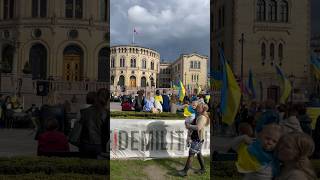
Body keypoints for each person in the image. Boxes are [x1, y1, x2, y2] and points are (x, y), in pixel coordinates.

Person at [178, 102, 210, 176]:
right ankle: (203, 169)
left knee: (191, 154)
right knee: (198, 154)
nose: (196, 108)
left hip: (198, 139)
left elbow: (198, 127)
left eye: (198, 107)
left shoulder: (202, 117)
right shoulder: (199, 115)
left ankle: (185, 172)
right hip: (197, 138)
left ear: (202, 109)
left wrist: (189, 126)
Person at [79, 88, 108, 158]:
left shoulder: (84, 111)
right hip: (99, 145)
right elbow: (107, 133)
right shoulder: (106, 113)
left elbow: (80, 129)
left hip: (85, 144)